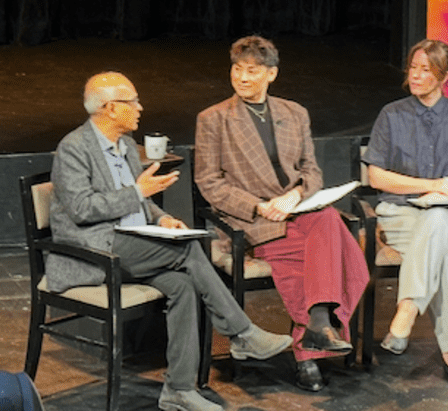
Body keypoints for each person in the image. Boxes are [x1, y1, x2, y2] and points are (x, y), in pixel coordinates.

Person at [48, 72, 292, 411]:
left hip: (133, 243)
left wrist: (160, 217)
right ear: (109, 108)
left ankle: (178, 390)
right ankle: (242, 333)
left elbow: (141, 202)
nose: (140, 107)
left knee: (182, 285)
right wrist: (138, 192)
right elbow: (81, 209)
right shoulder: (74, 149)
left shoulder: (127, 147)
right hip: (95, 249)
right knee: (188, 248)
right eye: (132, 101)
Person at [194, 35, 369, 392]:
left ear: (271, 74)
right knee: (338, 247)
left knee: (326, 219)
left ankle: (313, 336)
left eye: (252, 71)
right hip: (252, 220)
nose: (242, 77)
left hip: (296, 210)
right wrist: (259, 206)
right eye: (237, 69)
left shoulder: (294, 112)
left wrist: (295, 195)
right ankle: (315, 335)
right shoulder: (213, 119)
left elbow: (312, 171)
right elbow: (209, 182)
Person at [361, 39, 448, 387]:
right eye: (413, 68)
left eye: (426, 70)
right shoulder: (392, 114)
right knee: (444, 258)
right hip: (402, 213)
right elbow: (376, 176)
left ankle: (407, 307)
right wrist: (429, 185)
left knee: (438, 220)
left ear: (444, 76)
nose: (416, 76)